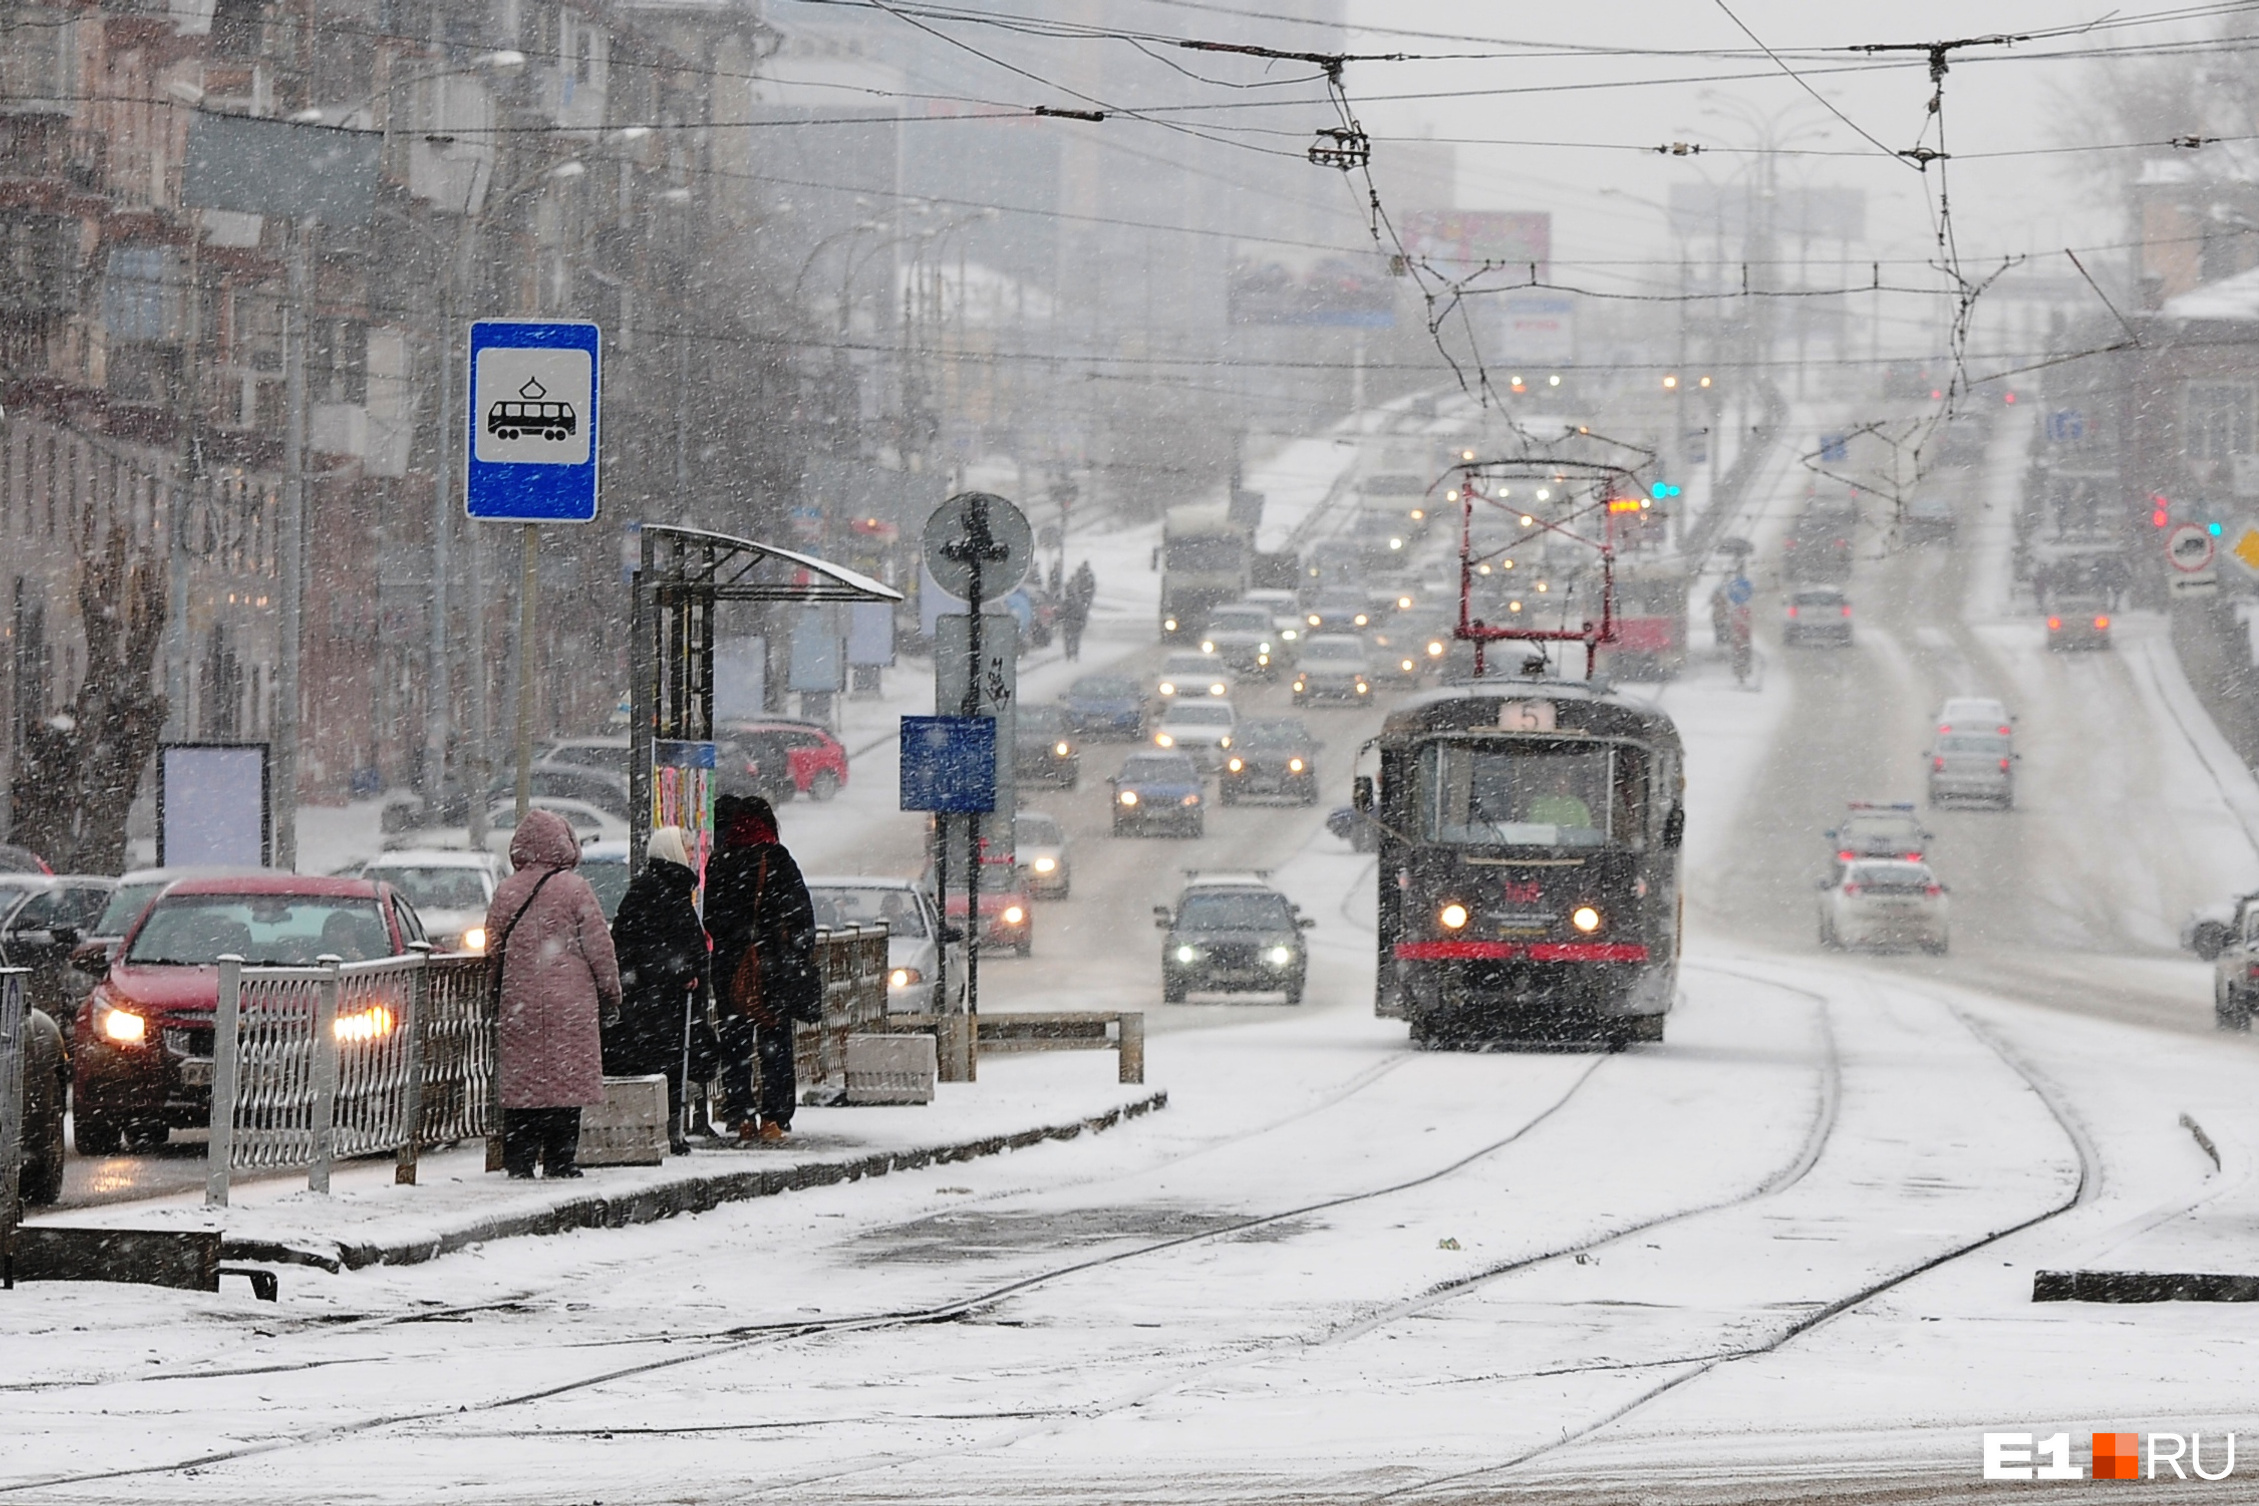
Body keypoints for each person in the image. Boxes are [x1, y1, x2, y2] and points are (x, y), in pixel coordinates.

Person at [485, 808, 623, 1179]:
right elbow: (600, 947)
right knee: (566, 1080)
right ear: (566, 844)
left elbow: (493, 948)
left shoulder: (507, 891)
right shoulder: (576, 889)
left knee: (524, 1083)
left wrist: (493, 991)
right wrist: (611, 991)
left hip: (521, 1001)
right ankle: (561, 1159)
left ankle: (520, 1159)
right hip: (570, 1003)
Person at [704, 794, 820, 1143]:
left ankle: (741, 1115)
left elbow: (711, 918)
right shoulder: (778, 859)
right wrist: (794, 953)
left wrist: (734, 945)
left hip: (731, 968)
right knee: (776, 1040)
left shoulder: (720, 862)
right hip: (773, 967)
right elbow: (802, 917)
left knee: (735, 1042)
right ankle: (774, 1117)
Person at [605, 825, 707, 1155]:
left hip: (661, 999)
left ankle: (669, 1129)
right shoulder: (659, 891)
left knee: (669, 1062)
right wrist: (680, 972)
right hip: (657, 1002)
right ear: (673, 852)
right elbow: (647, 947)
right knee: (664, 1063)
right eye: (687, 850)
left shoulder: (664, 888)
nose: (692, 857)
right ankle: (666, 1130)